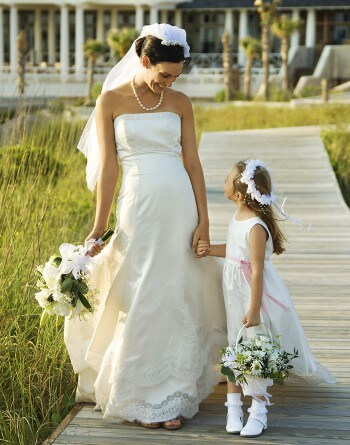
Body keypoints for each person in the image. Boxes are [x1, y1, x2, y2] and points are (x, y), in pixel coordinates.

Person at [64, 23, 226, 430]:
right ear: (144, 60)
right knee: (142, 293)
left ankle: (174, 396)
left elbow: (192, 162)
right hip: (138, 207)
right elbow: (109, 170)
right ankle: (138, 396)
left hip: (179, 205)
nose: (168, 83)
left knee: (176, 293)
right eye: (163, 75)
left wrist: (204, 220)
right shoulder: (111, 101)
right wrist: (99, 227)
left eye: (176, 77)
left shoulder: (181, 103)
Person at [197, 159, 336, 438]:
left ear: (238, 194)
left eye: (227, 178)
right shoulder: (237, 218)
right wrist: (209, 249)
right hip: (234, 291)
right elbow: (236, 252)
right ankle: (233, 406)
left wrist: (255, 309)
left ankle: (258, 409)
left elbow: (257, 271)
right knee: (234, 343)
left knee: (256, 346)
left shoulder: (256, 226)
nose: (223, 180)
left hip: (253, 294)